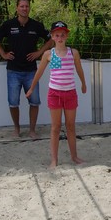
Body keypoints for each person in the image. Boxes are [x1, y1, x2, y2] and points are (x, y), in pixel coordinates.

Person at [26, 21, 87, 167]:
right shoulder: (49, 54)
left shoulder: (73, 53)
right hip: (54, 93)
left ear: (67, 36)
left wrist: (83, 83)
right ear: (52, 37)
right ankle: (54, 160)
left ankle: (74, 156)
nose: (60, 38)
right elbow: (39, 72)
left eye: (63, 35)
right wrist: (31, 88)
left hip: (70, 93)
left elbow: (79, 69)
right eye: (57, 35)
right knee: (55, 127)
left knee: (70, 126)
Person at [0, 0, 53, 138]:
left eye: (27, 6)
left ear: (29, 8)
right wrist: (3, 54)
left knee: (35, 101)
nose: (24, 8)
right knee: (13, 103)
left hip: (31, 71)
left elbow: (51, 40)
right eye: (22, 6)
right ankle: (17, 129)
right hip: (13, 71)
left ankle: (32, 130)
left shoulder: (36, 25)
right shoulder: (9, 25)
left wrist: (39, 52)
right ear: (17, 8)